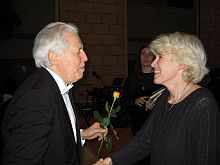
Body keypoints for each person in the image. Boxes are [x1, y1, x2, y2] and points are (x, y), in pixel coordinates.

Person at [94, 32, 220, 165]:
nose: (153, 63)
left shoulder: (202, 104)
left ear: (182, 64)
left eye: (160, 57)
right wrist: (109, 161)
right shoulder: (164, 97)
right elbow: (144, 140)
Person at [1, 22, 107, 165]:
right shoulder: (36, 98)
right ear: (54, 57)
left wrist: (80, 134)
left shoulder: (60, 84)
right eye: (78, 51)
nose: (86, 57)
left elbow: (51, 136)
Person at [122, 45, 162, 136]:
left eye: (150, 54)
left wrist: (154, 103)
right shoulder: (132, 78)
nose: (146, 57)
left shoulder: (160, 77)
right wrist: (134, 101)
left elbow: (166, 97)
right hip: (136, 120)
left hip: (154, 120)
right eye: (143, 54)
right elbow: (124, 99)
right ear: (139, 57)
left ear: (154, 58)